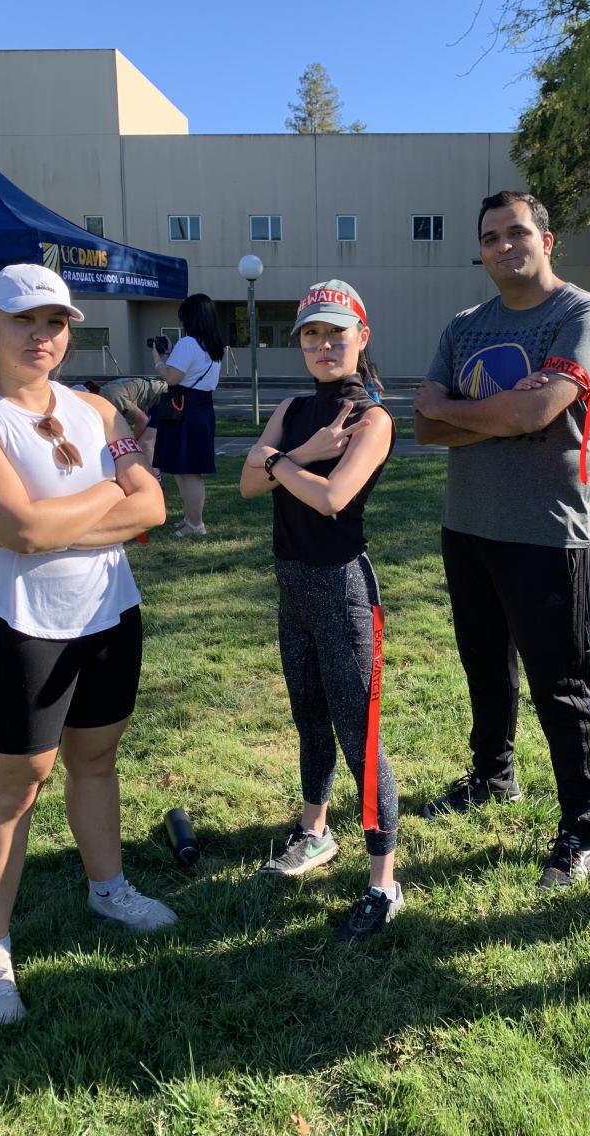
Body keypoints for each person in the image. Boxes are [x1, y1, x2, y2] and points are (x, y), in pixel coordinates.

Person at [0, 263, 172, 1025]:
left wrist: (62, 518)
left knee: (95, 760)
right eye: (25, 321)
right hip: (18, 622)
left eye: (57, 322)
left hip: (108, 609)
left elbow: (155, 508)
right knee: (16, 787)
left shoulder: (98, 409)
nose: (43, 336)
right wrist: (109, 496)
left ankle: (108, 889)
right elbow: (19, 530)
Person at [413, 191, 590, 888]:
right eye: (491, 237)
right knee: (483, 667)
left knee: (560, 684)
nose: (504, 245)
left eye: (518, 232)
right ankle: (492, 775)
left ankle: (582, 826)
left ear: (547, 240)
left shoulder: (582, 315)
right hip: (466, 524)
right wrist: (509, 417)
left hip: (546, 532)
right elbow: (423, 424)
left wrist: (478, 413)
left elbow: (540, 407)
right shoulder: (465, 325)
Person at [240, 280, 400, 942]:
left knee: (358, 735)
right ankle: (315, 831)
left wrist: (278, 464)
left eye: (338, 332)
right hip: (291, 583)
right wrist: (293, 456)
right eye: (311, 333)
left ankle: (384, 883)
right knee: (309, 716)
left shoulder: (374, 418)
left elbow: (334, 498)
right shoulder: (290, 408)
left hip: (340, 588)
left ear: (361, 338)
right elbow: (249, 483)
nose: (324, 344)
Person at [151, 293, 223, 537]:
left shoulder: (189, 343)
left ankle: (196, 524)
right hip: (201, 408)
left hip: (184, 408)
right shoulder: (212, 346)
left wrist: (158, 360)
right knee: (184, 468)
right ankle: (190, 519)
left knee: (188, 470)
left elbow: (172, 377)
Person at [83, 375, 167, 469]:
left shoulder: (111, 398)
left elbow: (142, 420)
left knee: (145, 444)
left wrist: (131, 443)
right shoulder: (104, 394)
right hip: (155, 398)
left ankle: (153, 479)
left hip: (162, 397)